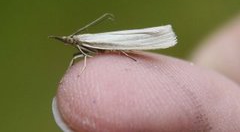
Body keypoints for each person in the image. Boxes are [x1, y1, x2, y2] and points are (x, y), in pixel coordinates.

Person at [52, 16, 240, 132]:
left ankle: (154, 36)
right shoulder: (81, 44)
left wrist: (84, 67)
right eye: (69, 41)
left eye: (69, 41)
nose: (69, 42)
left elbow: (88, 53)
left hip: (114, 42)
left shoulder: (83, 42)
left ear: (73, 40)